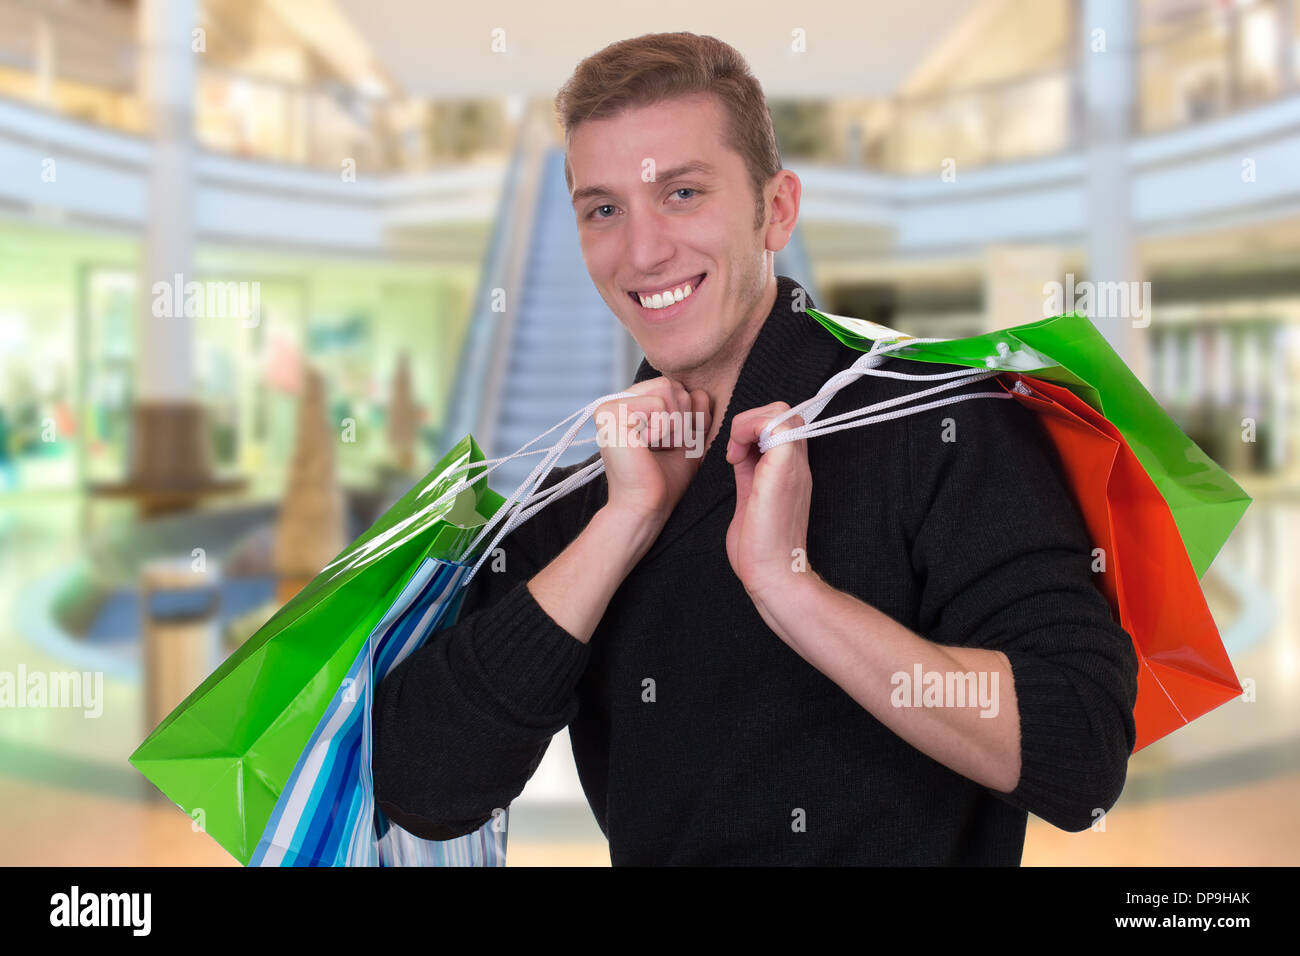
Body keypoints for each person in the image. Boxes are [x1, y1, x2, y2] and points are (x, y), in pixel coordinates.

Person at [372, 32, 1138, 865]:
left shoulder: (942, 421)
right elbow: (422, 787)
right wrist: (625, 523)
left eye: (683, 193)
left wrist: (792, 589)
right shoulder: (586, 501)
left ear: (776, 209)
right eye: (603, 209)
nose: (642, 250)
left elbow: (1080, 753)